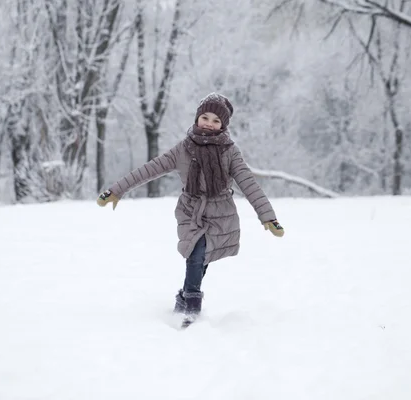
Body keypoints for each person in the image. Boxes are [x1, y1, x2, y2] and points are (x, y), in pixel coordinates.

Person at [97, 93, 284, 325]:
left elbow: (248, 183)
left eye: (216, 120)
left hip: (219, 213)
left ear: (223, 125)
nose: (209, 123)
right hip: (191, 210)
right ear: (197, 118)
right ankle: (191, 310)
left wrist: (268, 216)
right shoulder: (183, 149)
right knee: (196, 254)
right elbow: (149, 169)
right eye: (205, 117)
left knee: (201, 258)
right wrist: (117, 190)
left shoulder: (230, 152)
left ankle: (184, 301)